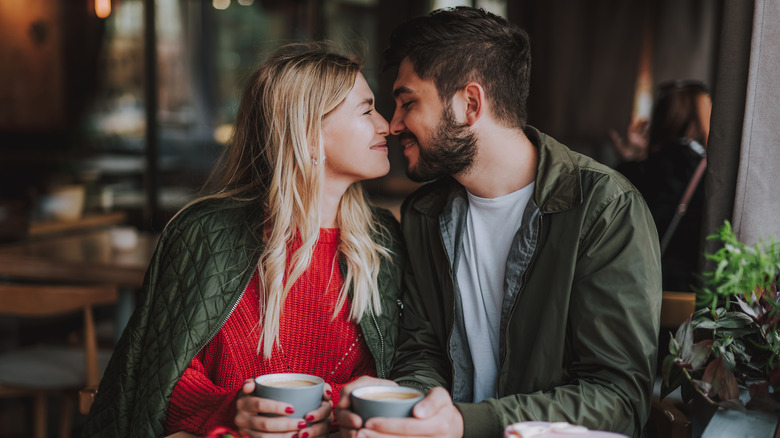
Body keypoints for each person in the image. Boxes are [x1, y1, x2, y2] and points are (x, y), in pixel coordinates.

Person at [335, 7, 661, 438]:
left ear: (470, 104)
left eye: (407, 103)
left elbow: (618, 398)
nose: (394, 125)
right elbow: (422, 352)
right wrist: (410, 408)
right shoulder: (424, 214)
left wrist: (465, 424)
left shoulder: (604, 208)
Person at [83, 42, 405, 438]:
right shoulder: (204, 233)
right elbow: (163, 379)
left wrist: (329, 409)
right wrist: (232, 409)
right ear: (307, 135)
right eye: (367, 109)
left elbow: (393, 372)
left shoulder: (383, 238)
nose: (385, 125)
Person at [618, 80, 711, 292]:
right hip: (692, 289)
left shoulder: (641, 169)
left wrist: (631, 160)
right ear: (700, 120)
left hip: (638, 285)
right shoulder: (711, 173)